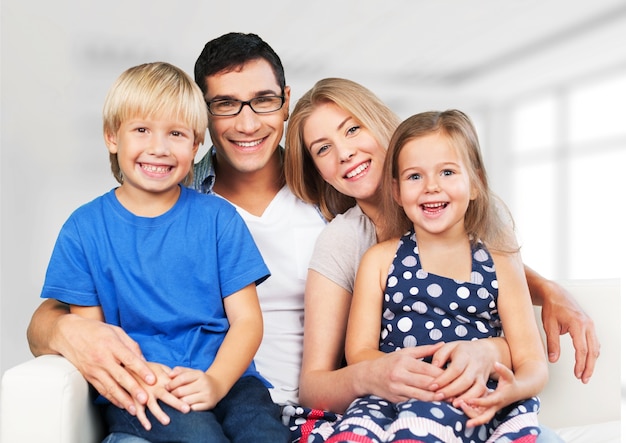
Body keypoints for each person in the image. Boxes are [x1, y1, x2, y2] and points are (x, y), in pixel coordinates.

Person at [26, 34, 597, 441]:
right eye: (226, 105)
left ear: (284, 103)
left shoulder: (332, 197)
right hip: (219, 397)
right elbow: (59, 309)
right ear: (205, 119)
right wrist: (66, 331)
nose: (247, 122)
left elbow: (447, 249)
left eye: (264, 102)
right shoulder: (182, 198)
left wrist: (542, 286)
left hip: (275, 407)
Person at [283, 78, 596, 442]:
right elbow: (322, 379)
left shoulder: (482, 226)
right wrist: (379, 375)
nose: (345, 152)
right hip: (396, 403)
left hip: (477, 401)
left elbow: (511, 312)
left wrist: (541, 296)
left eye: (353, 129)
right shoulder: (351, 245)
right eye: (323, 149)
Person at [38, 61, 289, 443]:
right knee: (199, 437)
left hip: (228, 378)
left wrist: (217, 381)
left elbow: (247, 321)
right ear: (111, 137)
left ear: (194, 145)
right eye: (141, 130)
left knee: (267, 434)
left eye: (175, 133)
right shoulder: (84, 229)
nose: (159, 148)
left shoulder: (218, 217)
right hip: (144, 385)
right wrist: (146, 380)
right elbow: (93, 338)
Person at [322, 109, 548, 442]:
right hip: (394, 396)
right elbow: (359, 351)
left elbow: (532, 360)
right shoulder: (380, 260)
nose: (431, 187)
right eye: (415, 177)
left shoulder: (500, 261)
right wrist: (412, 375)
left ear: (475, 183)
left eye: (447, 172)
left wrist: (512, 391)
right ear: (397, 192)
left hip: (468, 399)